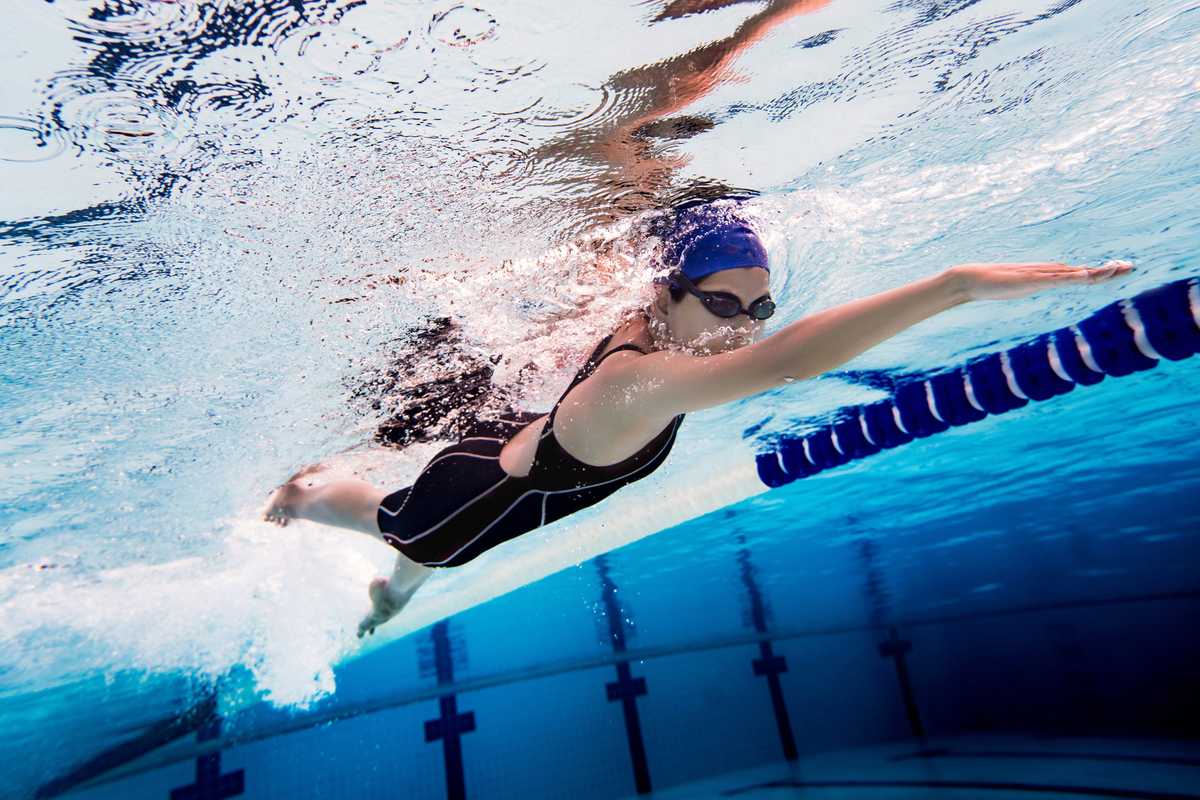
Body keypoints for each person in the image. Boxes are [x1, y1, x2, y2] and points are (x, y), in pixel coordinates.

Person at [261, 199, 1133, 637]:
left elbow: (744, 325)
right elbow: (787, 358)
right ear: (669, 293)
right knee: (401, 534)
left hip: (512, 453)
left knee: (419, 561)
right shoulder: (642, 385)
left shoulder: (652, 327)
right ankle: (297, 497)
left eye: (758, 309)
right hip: (466, 505)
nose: (742, 330)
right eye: (723, 305)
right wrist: (957, 286)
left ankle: (386, 590)